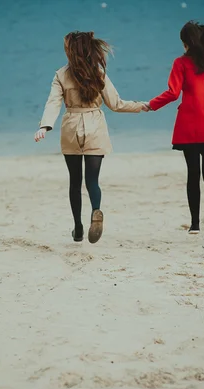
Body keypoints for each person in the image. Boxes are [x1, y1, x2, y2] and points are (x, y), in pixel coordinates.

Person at [34, 31, 148, 243]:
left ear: (71, 51)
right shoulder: (99, 73)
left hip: (71, 128)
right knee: (92, 180)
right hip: (95, 127)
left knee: (75, 182)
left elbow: (53, 103)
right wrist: (141, 106)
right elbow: (116, 104)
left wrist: (45, 126)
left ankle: (77, 228)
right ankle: (96, 210)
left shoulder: (61, 74)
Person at [146, 21, 204, 236]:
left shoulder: (180, 63)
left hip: (190, 125)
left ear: (186, 42)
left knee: (193, 173)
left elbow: (172, 93)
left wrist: (151, 105)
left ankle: (195, 225)